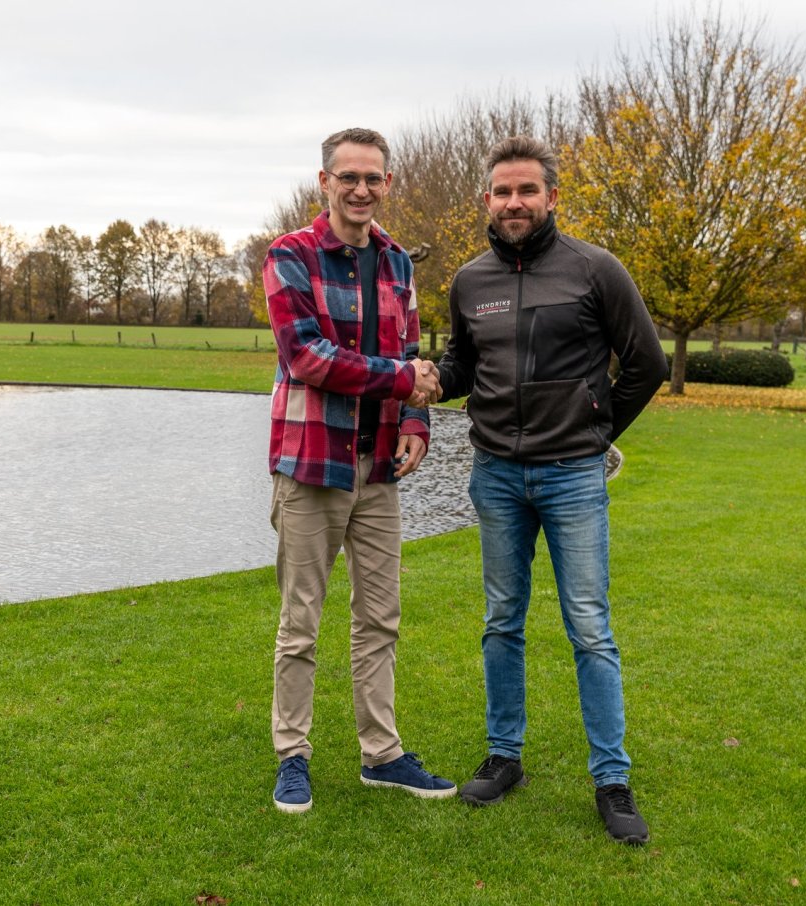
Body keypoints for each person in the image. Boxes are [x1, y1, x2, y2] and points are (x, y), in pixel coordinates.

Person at [435, 135, 668, 844]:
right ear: (487, 199)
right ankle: (505, 757)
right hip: (495, 475)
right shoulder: (470, 281)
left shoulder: (595, 270)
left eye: (527, 191)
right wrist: (418, 382)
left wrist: (594, 433)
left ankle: (612, 779)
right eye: (503, 192)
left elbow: (647, 363)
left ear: (551, 197)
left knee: (590, 628)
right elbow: (460, 368)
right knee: (502, 619)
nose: (514, 203)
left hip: (572, 476)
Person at [263, 126, 453, 814]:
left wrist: (416, 421)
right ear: (326, 182)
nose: (361, 189)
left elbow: (410, 354)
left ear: (388, 183)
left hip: (379, 472)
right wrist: (403, 381)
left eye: (373, 178)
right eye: (348, 177)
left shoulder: (399, 263)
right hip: (311, 464)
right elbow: (307, 357)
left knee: (381, 618)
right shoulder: (290, 255)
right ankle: (294, 754)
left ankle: (383, 754)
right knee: (300, 622)